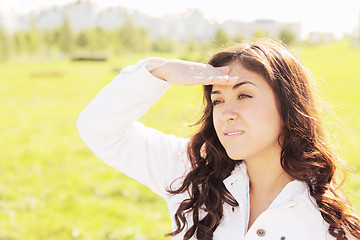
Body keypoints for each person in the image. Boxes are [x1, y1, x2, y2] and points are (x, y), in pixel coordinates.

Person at [77, 39, 360, 240]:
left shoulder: (330, 224)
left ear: (288, 106)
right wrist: (159, 72)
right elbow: (99, 128)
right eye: (218, 100)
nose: (227, 113)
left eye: (244, 95)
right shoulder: (190, 174)